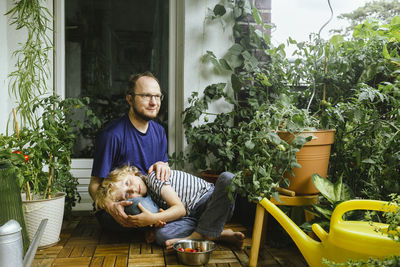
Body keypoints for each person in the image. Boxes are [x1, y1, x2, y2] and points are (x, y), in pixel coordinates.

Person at [89, 72, 171, 229]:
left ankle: (160, 226)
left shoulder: (159, 131)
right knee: (138, 207)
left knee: (179, 199)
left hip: (150, 197)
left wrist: (163, 165)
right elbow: (94, 185)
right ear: (129, 98)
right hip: (122, 205)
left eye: (157, 96)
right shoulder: (112, 135)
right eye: (146, 96)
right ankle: (160, 223)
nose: (154, 102)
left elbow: (162, 177)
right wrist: (111, 207)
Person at [96, 165, 245, 248]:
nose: (133, 190)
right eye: (127, 196)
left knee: (228, 178)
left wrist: (153, 218)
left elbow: (179, 209)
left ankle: (197, 237)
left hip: (209, 203)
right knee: (162, 236)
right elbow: (180, 214)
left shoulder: (153, 178)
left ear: (131, 172)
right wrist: (156, 222)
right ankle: (217, 234)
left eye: (128, 183)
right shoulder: (149, 199)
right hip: (192, 217)